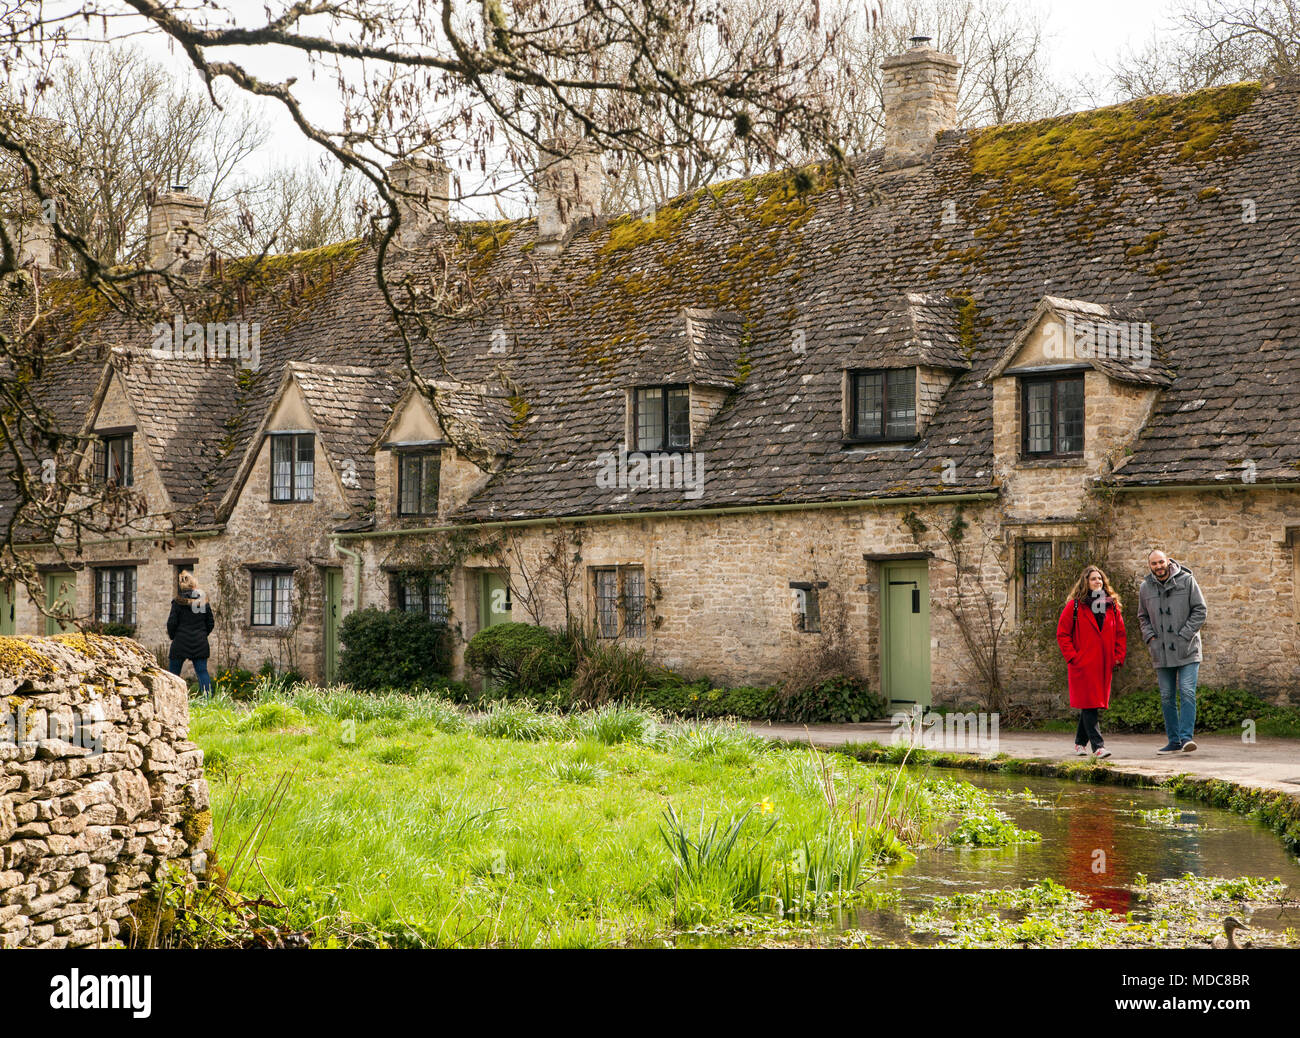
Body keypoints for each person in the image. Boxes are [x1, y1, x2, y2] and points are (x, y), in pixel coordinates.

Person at [1137, 549, 1207, 754]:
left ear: (1168, 561)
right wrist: (1150, 638)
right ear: (1150, 566)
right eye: (1154, 564)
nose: (1158, 567)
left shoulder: (1187, 581)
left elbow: (1200, 610)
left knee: (1187, 692)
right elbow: (1142, 617)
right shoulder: (1145, 587)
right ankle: (1173, 741)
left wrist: (1185, 634)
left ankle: (1186, 739)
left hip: (1188, 649)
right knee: (1167, 696)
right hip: (1161, 651)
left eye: (1161, 562)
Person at [1056, 565, 1127, 759]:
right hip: (1083, 664)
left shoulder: (1111, 606)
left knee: (1091, 704)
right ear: (1085, 583)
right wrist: (1073, 657)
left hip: (1103, 664)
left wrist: (1118, 656)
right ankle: (1098, 746)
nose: (1098, 582)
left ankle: (1080, 743)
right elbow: (1062, 634)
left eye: (1100, 579)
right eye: (1094, 579)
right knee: (1089, 704)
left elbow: (1120, 633)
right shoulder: (1075, 606)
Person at [167, 570, 215, 696]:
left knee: (173, 674)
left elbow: (171, 623)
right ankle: (208, 700)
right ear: (195, 586)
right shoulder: (203, 602)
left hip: (180, 641)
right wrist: (202, 635)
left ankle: (171, 699)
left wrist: (174, 637)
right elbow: (210, 623)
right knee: (202, 672)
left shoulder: (177, 602)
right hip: (200, 642)